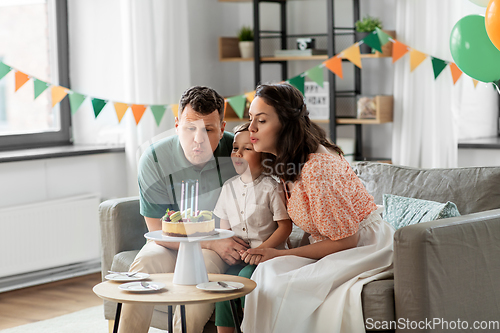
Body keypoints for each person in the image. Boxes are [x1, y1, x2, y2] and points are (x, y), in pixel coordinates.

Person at [239, 83, 395, 333]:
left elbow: (347, 240)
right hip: (335, 246)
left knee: (284, 285)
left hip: (365, 245)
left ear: (285, 124)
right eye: (250, 119)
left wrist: (278, 254)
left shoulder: (317, 168)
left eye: (262, 120)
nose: (252, 128)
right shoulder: (289, 162)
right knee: (268, 273)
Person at [118, 86, 250, 333]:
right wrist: (210, 243)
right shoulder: (154, 158)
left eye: (208, 130)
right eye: (190, 128)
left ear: (222, 129)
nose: (198, 140)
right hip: (174, 242)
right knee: (145, 263)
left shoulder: (238, 152)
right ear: (177, 125)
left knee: (202, 273)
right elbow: (157, 230)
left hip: (217, 244)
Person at [213, 122, 292, 333]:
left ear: (264, 156)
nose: (238, 153)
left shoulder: (272, 187)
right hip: (239, 257)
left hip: (266, 258)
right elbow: (224, 228)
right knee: (223, 287)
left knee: (246, 280)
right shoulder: (228, 187)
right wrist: (229, 245)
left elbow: (285, 227)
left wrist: (262, 250)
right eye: (235, 148)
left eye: (247, 148)